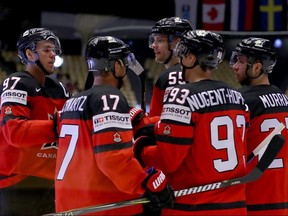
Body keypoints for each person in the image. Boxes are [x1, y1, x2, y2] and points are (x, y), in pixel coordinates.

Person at [54, 35, 175, 215]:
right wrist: (146, 182)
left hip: (70, 204)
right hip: (103, 205)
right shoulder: (109, 97)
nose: (125, 68)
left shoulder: (72, 102)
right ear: (116, 65)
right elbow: (113, 159)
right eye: (124, 63)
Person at [133, 30, 250, 215]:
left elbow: (168, 160)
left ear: (190, 57)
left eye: (182, 54)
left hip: (192, 205)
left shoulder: (180, 95)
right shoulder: (237, 96)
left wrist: (140, 148)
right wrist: (155, 126)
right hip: (235, 205)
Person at [0, 27, 71, 215]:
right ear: (30, 54)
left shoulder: (60, 89)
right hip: (17, 183)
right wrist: (58, 126)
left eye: (54, 50)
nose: (53, 55)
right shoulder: (16, 82)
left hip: (50, 182)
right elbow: (14, 132)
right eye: (46, 49)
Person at [230, 37, 288, 215]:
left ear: (257, 67)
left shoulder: (241, 99)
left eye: (240, 61)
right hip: (281, 198)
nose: (234, 66)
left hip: (251, 199)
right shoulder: (283, 98)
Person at [148, 16, 192, 117]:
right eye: (153, 40)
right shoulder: (189, 71)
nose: (154, 45)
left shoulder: (174, 75)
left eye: (160, 40)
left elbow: (171, 123)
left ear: (177, 43)